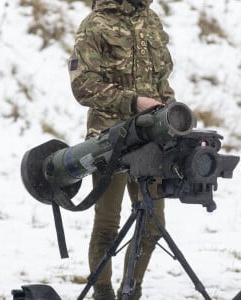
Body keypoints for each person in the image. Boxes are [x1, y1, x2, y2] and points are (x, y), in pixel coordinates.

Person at [68, 0, 175, 298]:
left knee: (153, 225)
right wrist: (132, 102)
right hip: (109, 141)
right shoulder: (95, 23)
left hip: (151, 139)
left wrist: (171, 113)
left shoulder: (151, 21)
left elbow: (162, 80)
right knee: (107, 225)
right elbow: (83, 85)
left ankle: (132, 289)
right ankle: (102, 292)